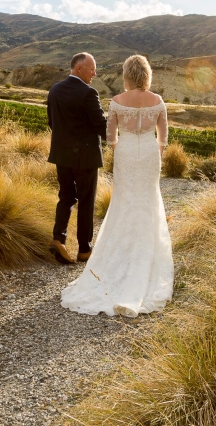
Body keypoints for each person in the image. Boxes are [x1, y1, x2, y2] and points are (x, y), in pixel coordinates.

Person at [61, 54, 173, 318]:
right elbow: (163, 136)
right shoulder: (157, 101)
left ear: (126, 74)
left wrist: (119, 149)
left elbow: (110, 136)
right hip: (148, 153)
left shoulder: (117, 102)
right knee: (148, 200)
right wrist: (155, 150)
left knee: (123, 201)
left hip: (124, 154)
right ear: (146, 75)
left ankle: (116, 260)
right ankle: (145, 258)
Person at [46, 52, 108, 264]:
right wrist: (120, 134)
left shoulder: (54, 90)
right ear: (79, 68)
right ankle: (84, 250)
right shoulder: (88, 93)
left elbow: (51, 122)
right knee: (86, 201)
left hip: (61, 155)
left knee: (66, 196)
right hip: (86, 158)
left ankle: (58, 239)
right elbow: (102, 127)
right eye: (92, 69)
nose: (94, 73)